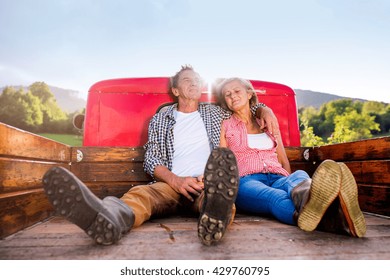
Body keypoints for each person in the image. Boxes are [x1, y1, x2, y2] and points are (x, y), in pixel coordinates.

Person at [42, 65, 279, 246]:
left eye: (197, 80)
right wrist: (176, 180)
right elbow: (152, 159)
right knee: (140, 194)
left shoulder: (216, 113)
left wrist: (263, 108)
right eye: (188, 80)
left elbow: (242, 106)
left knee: (220, 198)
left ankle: (214, 219)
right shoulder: (161, 119)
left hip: (206, 183)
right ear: (176, 90)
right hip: (170, 184)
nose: (194, 83)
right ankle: (109, 218)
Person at [216, 77, 366, 237]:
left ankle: (313, 201)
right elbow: (222, 161)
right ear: (225, 101)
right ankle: (334, 218)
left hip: (277, 176)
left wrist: (286, 178)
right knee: (276, 197)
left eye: (237, 91)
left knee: (300, 177)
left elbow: (282, 159)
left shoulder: (267, 121)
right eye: (228, 94)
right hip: (247, 181)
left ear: (249, 94)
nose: (233, 96)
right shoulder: (225, 125)